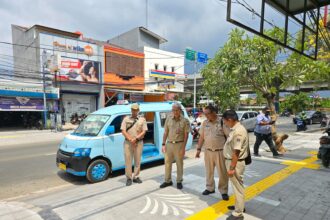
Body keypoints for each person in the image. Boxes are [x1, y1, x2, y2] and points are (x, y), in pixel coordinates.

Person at [195, 105, 230, 201]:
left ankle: (223, 191)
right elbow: (202, 137)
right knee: (209, 171)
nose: (206, 116)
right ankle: (210, 188)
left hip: (220, 152)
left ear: (214, 112)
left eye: (207, 113)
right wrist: (198, 149)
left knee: (222, 173)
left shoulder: (222, 122)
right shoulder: (204, 123)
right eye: (204, 114)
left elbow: (229, 136)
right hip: (208, 151)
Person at [222, 110, 249, 220]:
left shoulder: (238, 131)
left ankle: (238, 213)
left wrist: (232, 168)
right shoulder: (236, 129)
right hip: (233, 161)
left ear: (230, 120)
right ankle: (239, 206)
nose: (225, 124)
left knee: (238, 187)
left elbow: (236, 152)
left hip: (235, 163)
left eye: (225, 122)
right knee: (237, 186)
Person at [160, 103, 190, 189]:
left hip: (179, 144)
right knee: (167, 163)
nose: (175, 112)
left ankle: (179, 181)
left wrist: (183, 148)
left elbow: (186, 135)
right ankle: (167, 180)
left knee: (179, 164)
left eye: (176, 110)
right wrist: (163, 144)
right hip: (169, 144)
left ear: (180, 110)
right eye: (173, 110)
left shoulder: (185, 121)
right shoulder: (168, 119)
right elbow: (165, 132)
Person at [121, 103, 148, 186]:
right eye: (133, 110)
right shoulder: (126, 119)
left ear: (138, 110)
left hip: (138, 142)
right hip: (128, 143)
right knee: (128, 161)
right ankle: (129, 178)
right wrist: (130, 139)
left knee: (137, 161)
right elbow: (123, 131)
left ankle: (136, 177)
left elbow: (144, 131)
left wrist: (135, 139)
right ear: (131, 110)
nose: (134, 111)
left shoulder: (142, 119)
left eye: (136, 110)